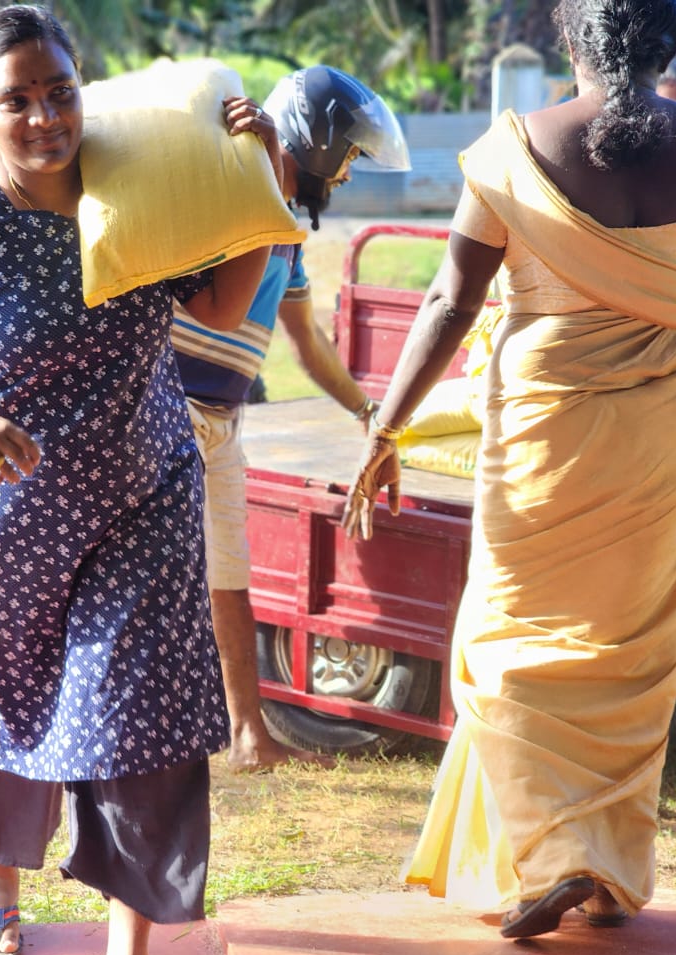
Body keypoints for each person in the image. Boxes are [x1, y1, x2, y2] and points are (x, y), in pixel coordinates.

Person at [341, 0, 676, 940]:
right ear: (669, 42)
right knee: (632, 653)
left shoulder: (511, 147)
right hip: (667, 443)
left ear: (568, 37)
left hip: (546, 438)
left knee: (505, 647)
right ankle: (602, 871)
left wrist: (385, 428)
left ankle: (557, 859)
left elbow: (449, 299)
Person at [0, 6, 272, 955]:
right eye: (18, 100)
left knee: (139, 729)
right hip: (18, 524)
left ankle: (127, 948)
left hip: (145, 500)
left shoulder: (133, 179)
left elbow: (220, 301)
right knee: (8, 712)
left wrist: (255, 180)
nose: (47, 117)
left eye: (61, 92)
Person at [172, 65, 412, 771]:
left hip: (224, 419)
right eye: (345, 161)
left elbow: (309, 345)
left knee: (230, 576)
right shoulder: (235, 192)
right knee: (166, 577)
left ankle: (249, 736)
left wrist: (374, 415)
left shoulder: (288, 238)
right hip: (170, 406)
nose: (342, 178)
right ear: (318, 143)